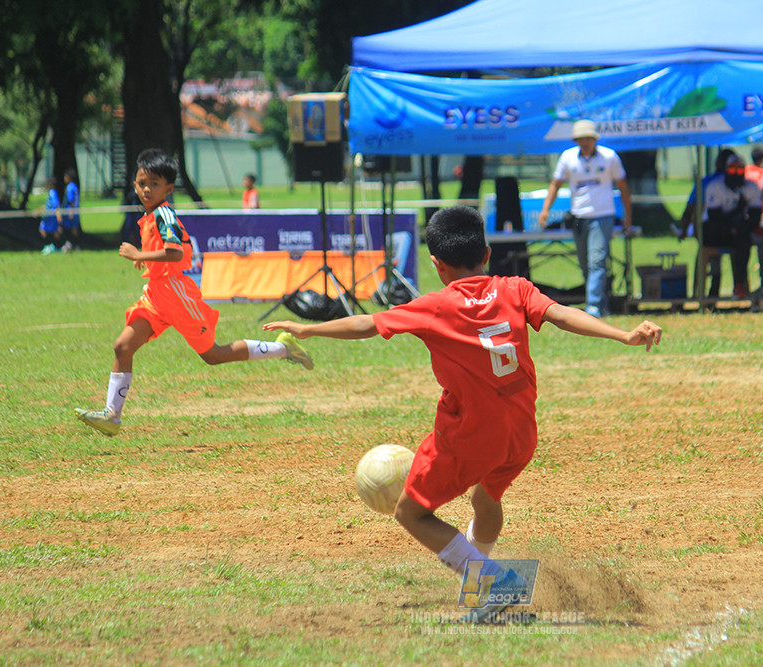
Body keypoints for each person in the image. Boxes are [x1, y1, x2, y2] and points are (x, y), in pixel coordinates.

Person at [263, 205, 662, 622]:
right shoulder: (515, 288)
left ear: (436, 264)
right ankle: (480, 592)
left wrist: (309, 329)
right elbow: (562, 315)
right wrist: (623, 334)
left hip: (471, 432)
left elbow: (367, 323)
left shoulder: (435, 305)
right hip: (521, 431)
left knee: (409, 511)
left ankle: (492, 580)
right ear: (487, 253)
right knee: (485, 497)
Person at [74, 149, 314, 437]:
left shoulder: (163, 213)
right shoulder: (150, 214)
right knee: (122, 347)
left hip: (176, 295)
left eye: (153, 183)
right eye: (141, 183)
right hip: (155, 296)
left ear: (169, 188)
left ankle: (284, 347)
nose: (146, 189)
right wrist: (147, 257)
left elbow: (175, 253)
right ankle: (112, 416)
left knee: (212, 355)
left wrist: (139, 253)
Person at [537, 119, 632, 318]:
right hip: (578, 217)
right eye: (581, 139)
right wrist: (545, 209)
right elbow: (555, 184)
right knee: (585, 264)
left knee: (597, 261)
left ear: (595, 139)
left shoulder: (609, 156)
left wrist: (627, 216)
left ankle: (593, 308)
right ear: (576, 140)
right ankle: (602, 303)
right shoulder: (568, 158)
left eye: (588, 138)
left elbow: (623, 186)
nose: (585, 142)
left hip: (603, 215)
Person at [704, 153, 763, 299]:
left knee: (746, 240)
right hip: (716, 231)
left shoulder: (751, 187)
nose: (736, 174)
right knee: (715, 231)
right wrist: (738, 210)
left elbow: (755, 217)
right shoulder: (715, 186)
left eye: (739, 170)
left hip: (740, 232)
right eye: (732, 170)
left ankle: (741, 283)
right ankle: (713, 289)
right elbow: (715, 217)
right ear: (726, 170)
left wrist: (738, 227)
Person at [680, 148, 735, 298]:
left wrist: (683, 230)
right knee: (712, 258)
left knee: (706, 255)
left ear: (718, 163)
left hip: (709, 234)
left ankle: (700, 294)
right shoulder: (736, 182)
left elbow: (689, 210)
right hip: (728, 234)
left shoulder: (706, 182)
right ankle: (710, 294)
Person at [744, 146, 763, 292]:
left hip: (743, 213)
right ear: (762, 159)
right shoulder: (762, 172)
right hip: (758, 213)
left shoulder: (745, 171)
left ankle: (743, 284)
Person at [36, 176, 61, 255]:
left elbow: (55, 204)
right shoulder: (51, 193)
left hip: (51, 215)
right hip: (49, 215)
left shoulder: (52, 193)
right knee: (54, 231)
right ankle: (56, 246)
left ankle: (49, 245)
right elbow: (47, 205)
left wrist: (58, 215)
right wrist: (39, 210)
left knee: (43, 229)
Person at [61, 168, 81, 251]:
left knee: (68, 228)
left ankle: (69, 244)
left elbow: (71, 200)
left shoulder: (69, 187)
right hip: (76, 211)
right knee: (74, 229)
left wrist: (70, 212)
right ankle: (76, 245)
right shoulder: (75, 186)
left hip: (70, 211)